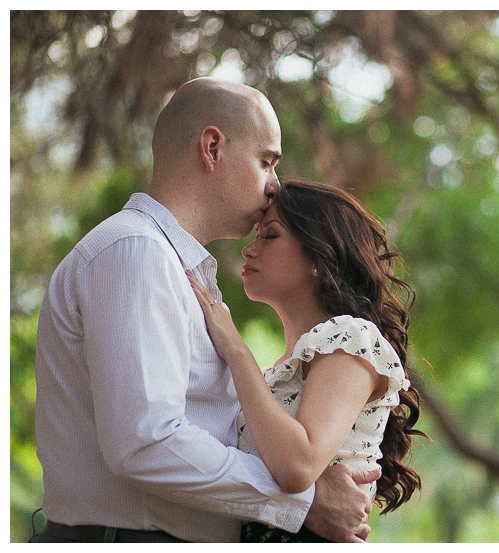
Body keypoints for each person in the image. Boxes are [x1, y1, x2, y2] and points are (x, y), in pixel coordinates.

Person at [32, 78, 377, 543]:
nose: (275, 186)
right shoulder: (137, 251)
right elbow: (146, 441)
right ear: (212, 148)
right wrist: (302, 501)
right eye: (266, 162)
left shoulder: (175, 266)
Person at [186, 178, 426, 542]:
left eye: (270, 235)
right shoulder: (278, 372)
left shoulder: (351, 339)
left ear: (320, 254)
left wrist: (234, 348)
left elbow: (298, 465)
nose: (248, 250)